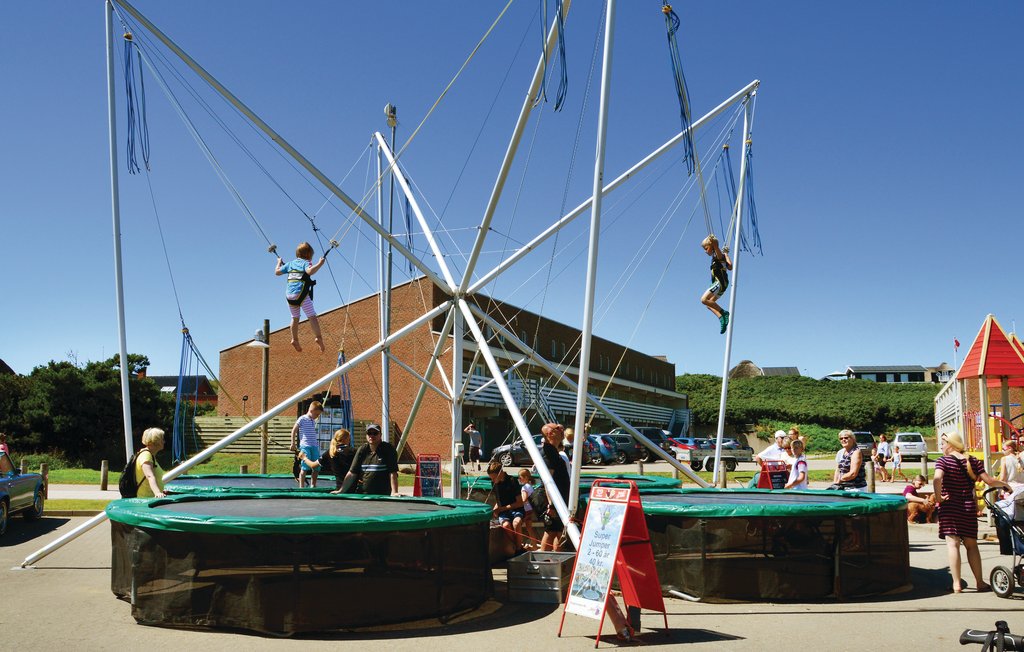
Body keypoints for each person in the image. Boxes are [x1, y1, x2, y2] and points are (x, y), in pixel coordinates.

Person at [933, 432, 1011, 593]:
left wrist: (939, 498)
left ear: (951, 444)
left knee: (953, 545)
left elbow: (936, 479)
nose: (941, 447)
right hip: (967, 507)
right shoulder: (973, 461)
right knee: (972, 545)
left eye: (942, 443)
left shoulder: (943, 461)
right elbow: (989, 481)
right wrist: (1005, 485)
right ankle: (979, 582)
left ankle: (956, 584)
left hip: (949, 507)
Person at [275, 241, 326, 352]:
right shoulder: (306, 263)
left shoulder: (289, 264)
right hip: (301, 294)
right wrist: (320, 264)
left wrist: (279, 262)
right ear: (308, 255)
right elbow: (310, 271)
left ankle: (294, 339)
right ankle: (318, 337)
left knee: (295, 318)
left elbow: (277, 272)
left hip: (289, 296)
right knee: (312, 316)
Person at [337, 423, 400, 496]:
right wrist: (341, 490)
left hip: (382, 495)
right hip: (362, 495)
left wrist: (394, 492)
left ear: (380, 435)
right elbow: (352, 473)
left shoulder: (388, 449)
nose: (372, 436)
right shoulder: (362, 450)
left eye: (375, 433)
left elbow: (393, 473)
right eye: (369, 433)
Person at [539, 422, 571, 552]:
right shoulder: (549, 453)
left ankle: (554, 563)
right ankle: (544, 564)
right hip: (554, 501)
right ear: (550, 433)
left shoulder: (553, 451)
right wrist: (551, 504)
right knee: (553, 532)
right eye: (558, 428)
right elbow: (548, 481)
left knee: (557, 532)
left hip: (559, 499)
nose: (562, 429)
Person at [487, 460, 526, 551]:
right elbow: (499, 501)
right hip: (504, 511)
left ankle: (518, 548)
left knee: (516, 523)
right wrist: (494, 510)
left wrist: (502, 508)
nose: (492, 481)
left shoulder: (512, 481)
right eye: (491, 478)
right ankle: (516, 546)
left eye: (494, 478)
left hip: (516, 509)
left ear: (501, 473)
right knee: (506, 525)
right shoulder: (495, 484)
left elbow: (520, 502)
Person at [699, 234, 733, 334]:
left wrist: (715, 245)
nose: (705, 251)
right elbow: (730, 267)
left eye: (706, 248)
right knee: (709, 305)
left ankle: (723, 313)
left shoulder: (718, 255)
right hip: (723, 285)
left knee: (704, 300)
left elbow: (717, 249)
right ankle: (722, 319)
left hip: (720, 282)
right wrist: (726, 255)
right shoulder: (720, 257)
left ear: (712, 246)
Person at [290, 401, 323, 488]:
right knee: (304, 467)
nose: (317, 416)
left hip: (314, 446)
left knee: (316, 467)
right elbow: (294, 430)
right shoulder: (302, 419)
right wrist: (293, 443)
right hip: (305, 446)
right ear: (311, 411)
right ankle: (301, 486)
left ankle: (313, 485)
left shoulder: (313, 420)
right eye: (316, 414)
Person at [135, 427, 167, 498]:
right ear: (155, 441)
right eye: (162, 439)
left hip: (150, 497)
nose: (164, 442)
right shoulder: (146, 455)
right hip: (146, 500)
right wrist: (158, 493)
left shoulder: (150, 455)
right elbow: (149, 476)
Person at [518, 469, 536, 547]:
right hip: (530, 509)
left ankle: (520, 543)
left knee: (518, 525)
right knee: (529, 527)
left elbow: (524, 499)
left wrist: (518, 503)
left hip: (525, 510)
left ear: (525, 477)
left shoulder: (524, 488)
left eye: (520, 477)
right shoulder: (530, 486)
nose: (519, 479)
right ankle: (534, 543)